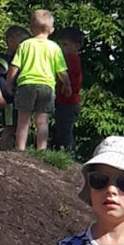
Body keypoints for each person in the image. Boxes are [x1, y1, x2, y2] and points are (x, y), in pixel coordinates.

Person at [7, 9, 72, 152]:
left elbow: (14, 66)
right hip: (47, 87)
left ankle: (20, 149)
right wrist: (67, 85)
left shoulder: (25, 45)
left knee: (23, 120)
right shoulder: (55, 48)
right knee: (42, 121)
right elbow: (62, 71)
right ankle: (41, 150)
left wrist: (9, 83)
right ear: (52, 30)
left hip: (26, 85)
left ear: (31, 29)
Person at [0, 25, 30, 151]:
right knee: (9, 127)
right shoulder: (6, 60)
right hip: (8, 99)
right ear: (11, 40)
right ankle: (4, 151)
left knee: (16, 125)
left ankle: (10, 150)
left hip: (15, 99)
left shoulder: (17, 60)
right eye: (22, 42)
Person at [52, 27, 84, 156]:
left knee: (65, 129)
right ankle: (62, 151)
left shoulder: (71, 59)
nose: (61, 47)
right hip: (64, 100)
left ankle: (67, 153)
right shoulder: (68, 58)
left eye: (64, 44)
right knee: (62, 127)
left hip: (67, 101)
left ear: (76, 46)